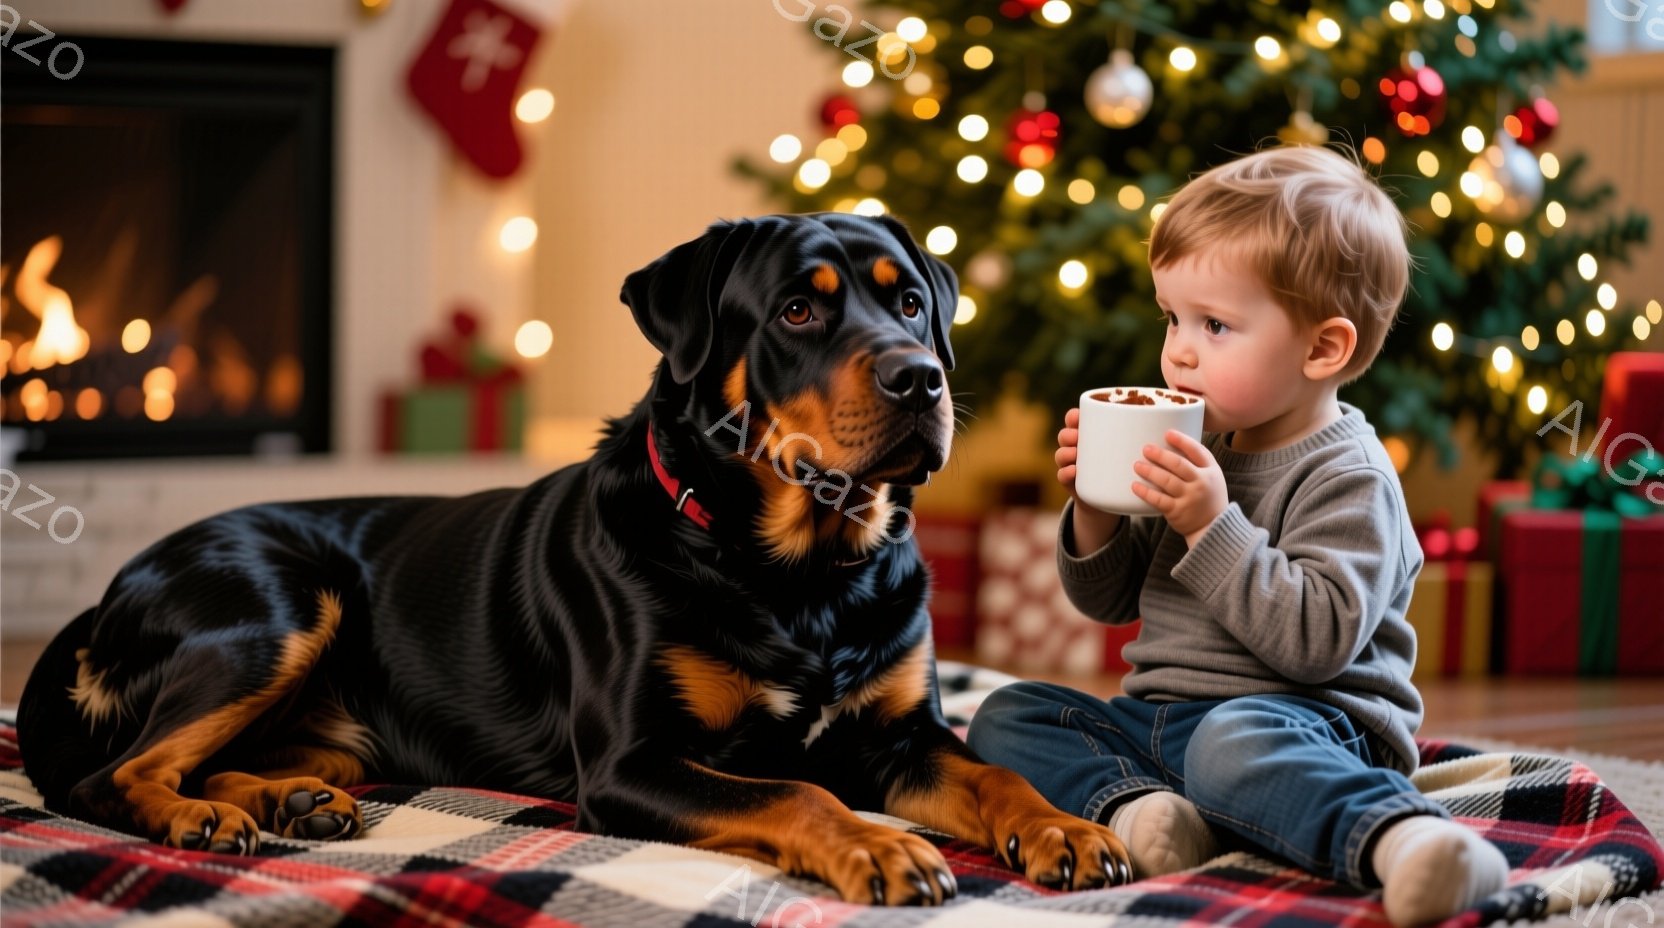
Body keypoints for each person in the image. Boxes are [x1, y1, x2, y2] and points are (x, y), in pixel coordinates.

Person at [965, 145, 1508, 927]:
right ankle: (1143, 814)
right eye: (1174, 318)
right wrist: (1097, 507)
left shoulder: (1349, 475)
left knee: (1232, 744)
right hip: (1162, 722)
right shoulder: (1201, 443)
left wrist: (1211, 524)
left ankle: (1401, 838)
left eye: (1216, 324)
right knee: (1006, 713)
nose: (1179, 349)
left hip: (1305, 725)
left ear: (1324, 348)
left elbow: (1314, 644)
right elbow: (1107, 601)